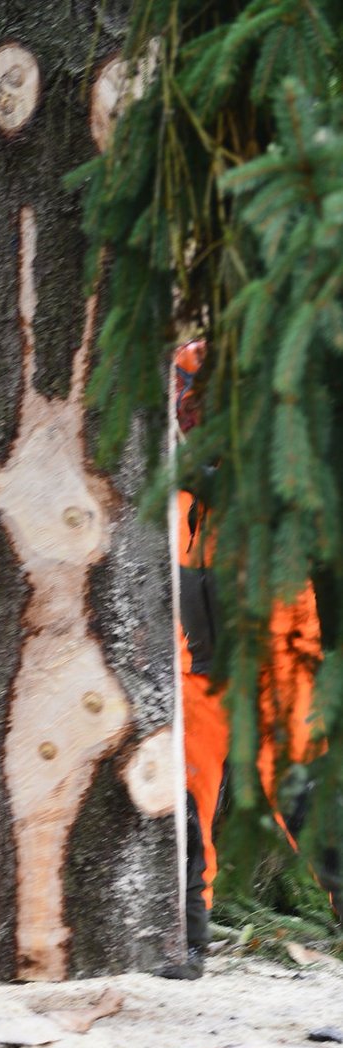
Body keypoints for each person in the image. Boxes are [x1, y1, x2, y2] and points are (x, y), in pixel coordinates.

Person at [169, 339, 324, 978]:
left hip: (273, 653)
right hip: (195, 662)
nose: (195, 415)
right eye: (188, 402)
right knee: (181, 803)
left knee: (304, 800)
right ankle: (186, 943)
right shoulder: (173, 491)